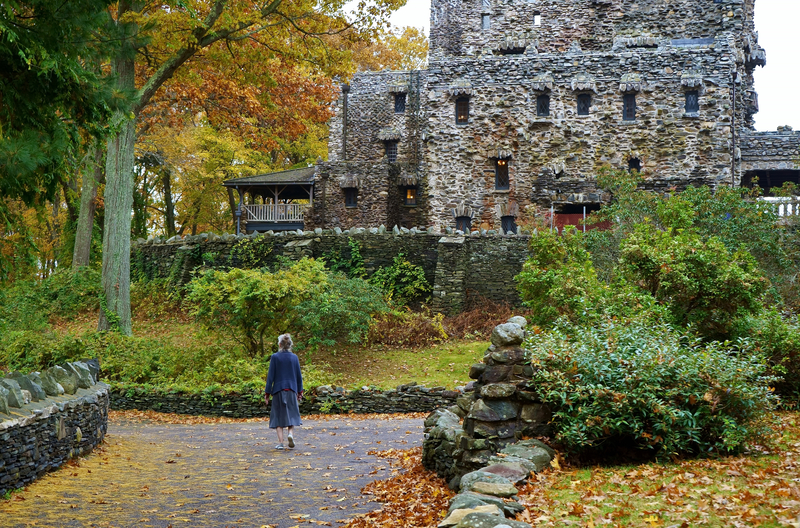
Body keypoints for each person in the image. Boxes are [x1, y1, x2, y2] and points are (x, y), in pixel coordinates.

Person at [264, 333, 304, 449]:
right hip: (292, 389)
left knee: (277, 416)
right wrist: (300, 392)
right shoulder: (294, 357)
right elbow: (298, 376)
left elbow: (270, 377)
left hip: (278, 390)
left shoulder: (275, 357)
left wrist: (267, 393)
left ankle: (281, 443)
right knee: (292, 414)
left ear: (280, 344)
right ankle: (290, 434)